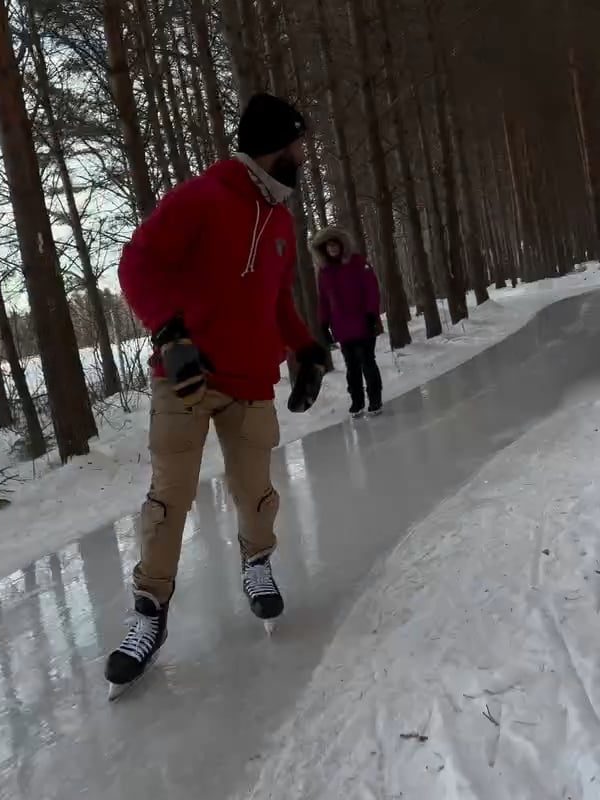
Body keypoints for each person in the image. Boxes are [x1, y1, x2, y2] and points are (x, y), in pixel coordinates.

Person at [106, 93, 327, 689]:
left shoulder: (281, 221)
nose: (304, 155)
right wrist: (168, 331)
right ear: (275, 146)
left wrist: (305, 347)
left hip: (252, 381)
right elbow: (136, 264)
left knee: (256, 492)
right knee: (168, 498)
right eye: (298, 144)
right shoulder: (201, 197)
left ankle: (257, 564)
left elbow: (276, 300)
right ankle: (149, 612)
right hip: (187, 376)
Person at [313, 226, 384, 417]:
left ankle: (375, 399)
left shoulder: (358, 263)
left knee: (367, 361)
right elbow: (324, 300)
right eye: (329, 246)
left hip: (363, 321)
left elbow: (371, 289)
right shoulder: (324, 272)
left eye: (335, 245)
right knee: (351, 365)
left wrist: (371, 314)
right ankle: (357, 401)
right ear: (324, 249)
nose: (332, 249)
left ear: (342, 245)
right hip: (342, 326)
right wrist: (323, 324)